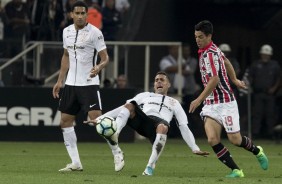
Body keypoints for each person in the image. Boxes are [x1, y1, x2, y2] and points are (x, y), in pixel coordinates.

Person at [87, 71, 209, 175]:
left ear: (169, 84)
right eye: (156, 80)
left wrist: (194, 147)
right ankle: (115, 132)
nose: (159, 82)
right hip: (143, 120)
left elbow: (183, 126)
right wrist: (100, 119)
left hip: (158, 126)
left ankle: (150, 167)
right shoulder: (145, 95)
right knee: (129, 105)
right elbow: (122, 108)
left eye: (162, 80)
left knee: (163, 127)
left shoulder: (174, 102)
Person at [189, 20, 269, 178]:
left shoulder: (210, 54)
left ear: (209, 36)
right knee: (212, 139)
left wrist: (198, 100)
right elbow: (226, 61)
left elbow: (214, 80)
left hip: (226, 102)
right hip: (211, 104)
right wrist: (235, 80)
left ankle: (257, 151)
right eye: (196, 37)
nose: (197, 40)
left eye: (200, 37)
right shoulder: (212, 49)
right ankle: (236, 170)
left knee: (235, 140)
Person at [52, 1, 109, 172]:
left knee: (97, 121)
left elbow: (105, 57)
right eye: (77, 13)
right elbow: (65, 56)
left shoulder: (95, 33)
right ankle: (75, 162)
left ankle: (116, 151)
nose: (80, 16)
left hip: (88, 83)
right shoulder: (66, 32)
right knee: (65, 121)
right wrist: (59, 80)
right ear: (71, 15)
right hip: (70, 83)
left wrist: (99, 67)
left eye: (83, 13)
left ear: (86, 14)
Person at [248, 44, 281, 139]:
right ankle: (255, 134)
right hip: (258, 93)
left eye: (267, 54)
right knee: (257, 114)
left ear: (270, 55)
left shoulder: (275, 65)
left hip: (270, 94)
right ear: (261, 54)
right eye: (264, 54)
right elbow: (250, 77)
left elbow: (279, 78)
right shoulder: (255, 64)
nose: (265, 56)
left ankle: (270, 134)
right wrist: (249, 86)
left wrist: (274, 88)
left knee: (270, 114)